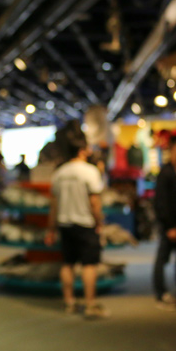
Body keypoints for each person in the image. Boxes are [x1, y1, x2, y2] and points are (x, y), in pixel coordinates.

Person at [44, 127, 109, 319]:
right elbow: (94, 203)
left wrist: (50, 229)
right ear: (82, 149)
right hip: (86, 224)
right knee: (89, 264)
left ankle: (69, 301)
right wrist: (99, 222)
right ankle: (90, 303)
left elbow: (53, 207)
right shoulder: (90, 172)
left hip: (65, 224)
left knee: (68, 263)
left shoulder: (59, 173)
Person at [153, 135, 176, 310]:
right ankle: (160, 292)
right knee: (163, 258)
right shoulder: (166, 172)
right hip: (170, 224)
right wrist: (169, 225)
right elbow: (161, 201)